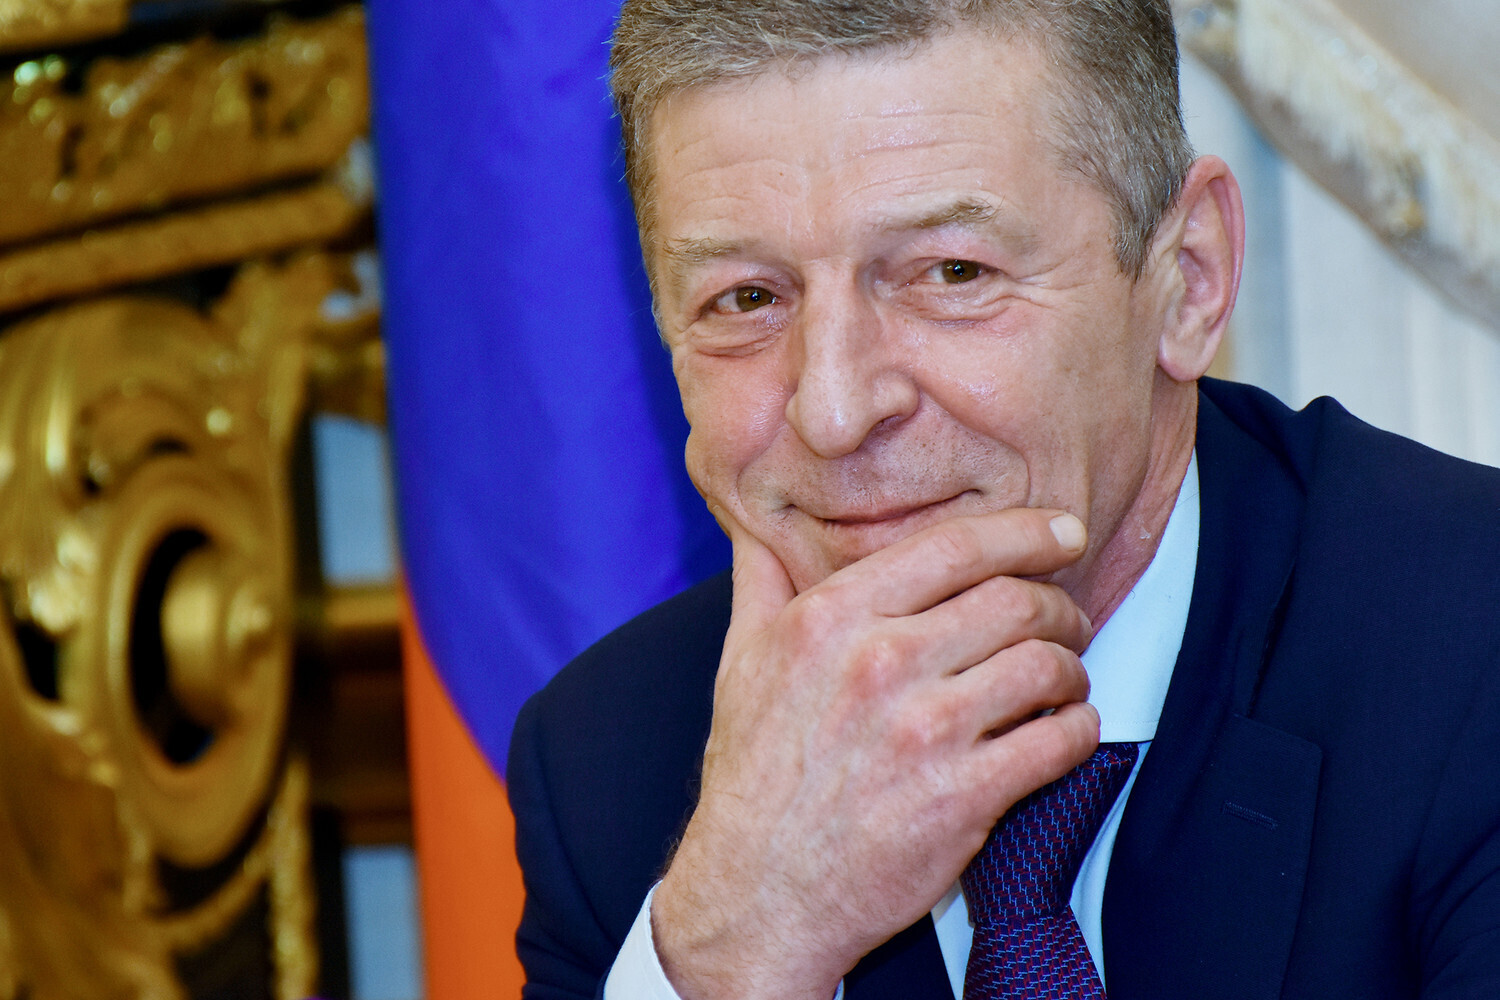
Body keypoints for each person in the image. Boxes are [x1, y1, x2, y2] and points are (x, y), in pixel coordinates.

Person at [507, 2, 1500, 998]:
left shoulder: (1470, 647)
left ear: (1187, 280)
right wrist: (740, 943)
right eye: (747, 298)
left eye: (952, 272)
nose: (835, 412)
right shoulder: (609, 765)